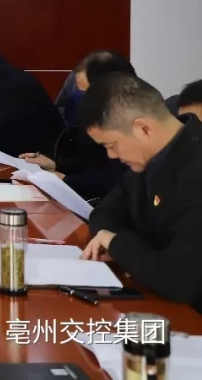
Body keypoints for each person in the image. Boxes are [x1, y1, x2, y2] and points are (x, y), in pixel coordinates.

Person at [80, 73, 202, 312]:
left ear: (143, 128)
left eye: (111, 145)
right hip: (155, 300)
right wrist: (129, 253)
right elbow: (104, 213)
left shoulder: (195, 169)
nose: (111, 156)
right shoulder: (146, 160)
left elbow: (179, 280)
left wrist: (118, 244)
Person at [21, 51, 134, 200]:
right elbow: (93, 163)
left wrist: (66, 180)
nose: (81, 99)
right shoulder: (97, 114)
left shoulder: (134, 122)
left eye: (85, 92)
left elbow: (118, 180)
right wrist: (57, 165)